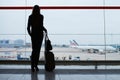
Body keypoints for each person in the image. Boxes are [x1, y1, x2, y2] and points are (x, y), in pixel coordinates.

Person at [27, 5, 47, 72]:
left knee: (34, 51)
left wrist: (31, 35)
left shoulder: (30, 17)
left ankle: (32, 66)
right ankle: (36, 65)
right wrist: (45, 29)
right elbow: (41, 26)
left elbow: (28, 28)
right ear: (39, 10)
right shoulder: (41, 16)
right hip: (40, 35)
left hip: (34, 36)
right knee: (37, 51)